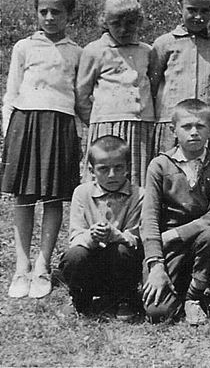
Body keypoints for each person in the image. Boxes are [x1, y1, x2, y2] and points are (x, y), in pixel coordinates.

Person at [2, 0, 83, 299]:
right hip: (25, 123)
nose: (50, 17)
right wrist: (9, 131)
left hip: (60, 124)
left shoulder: (77, 51)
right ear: (36, 13)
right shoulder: (24, 47)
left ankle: (42, 266)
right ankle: (21, 267)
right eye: (44, 11)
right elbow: (10, 92)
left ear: (69, 15)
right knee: (23, 196)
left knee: (52, 197)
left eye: (57, 12)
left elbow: (79, 96)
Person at [141, 99, 210, 325]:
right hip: (166, 245)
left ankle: (193, 297)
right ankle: (171, 282)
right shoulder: (160, 165)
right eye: (187, 127)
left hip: (200, 241)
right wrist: (156, 264)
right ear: (173, 130)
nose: (194, 133)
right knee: (159, 313)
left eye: (200, 127)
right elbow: (149, 216)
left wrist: (178, 233)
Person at [58, 136, 143, 320]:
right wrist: (92, 236)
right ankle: (80, 298)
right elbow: (76, 236)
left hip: (120, 263)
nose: (112, 175)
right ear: (91, 170)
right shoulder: (81, 193)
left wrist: (114, 235)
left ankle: (124, 298)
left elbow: (134, 237)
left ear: (128, 167)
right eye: (103, 169)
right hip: (91, 262)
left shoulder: (139, 195)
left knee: (123, 250)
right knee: (74, 256)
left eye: (118, 168)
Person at [76, 0, 155, 187]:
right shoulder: (95, 50)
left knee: (136, 176)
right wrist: (99, 120)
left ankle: (135, 215)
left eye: (130, 23)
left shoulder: (147, 51)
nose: (123, 29)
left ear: (139, 22)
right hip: (107, 124)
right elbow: (82, 94)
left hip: (140, 125)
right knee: (107, 173)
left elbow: (152, 86)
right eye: (116, 23)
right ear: (105, 23)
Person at [149, 0, 210, 155]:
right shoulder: (164, 43)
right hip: (171, 124)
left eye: (205, 11)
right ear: (180, 7)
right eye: (192, 10)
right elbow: (152, 85)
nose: (198, 16)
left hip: (204, 125)